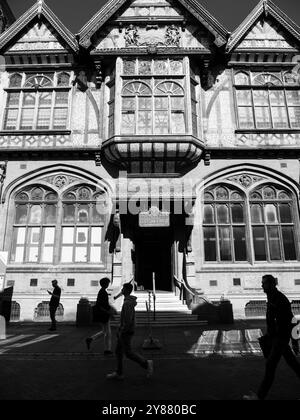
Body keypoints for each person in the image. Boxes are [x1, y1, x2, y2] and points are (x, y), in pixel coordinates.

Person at [243, 274, 300, 400]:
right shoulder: (272, 297)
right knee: (294, 365)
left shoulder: (279, 299)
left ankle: (259, 397)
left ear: (271, 284)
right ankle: (259, 396)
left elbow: (291, 319)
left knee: (270, 366)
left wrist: (294, 340)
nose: (262, 285)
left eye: (264, 283)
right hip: (278, 338)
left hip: (280, 338)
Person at [107, 282, 153, 380]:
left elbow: (127, 320)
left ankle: (146, 364)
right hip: (125, 330)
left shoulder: (127, 304)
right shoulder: (127, 302)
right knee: (119, 351)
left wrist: (121, 331)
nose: (122, 290)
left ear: (126, 290)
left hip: (126, 331)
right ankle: (119, 372)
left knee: (128, 352)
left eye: (123, 289)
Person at [86, 277, 114, 355]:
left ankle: (91, 339)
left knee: (105, 331)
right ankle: (107, 349)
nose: (109, 284)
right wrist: (110, 312)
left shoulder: (102, 291)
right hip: (104, 314)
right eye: (108, 283)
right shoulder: (103, 292)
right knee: (108, 333)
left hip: (101, 313)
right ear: (106, 284)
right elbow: (103, 305)